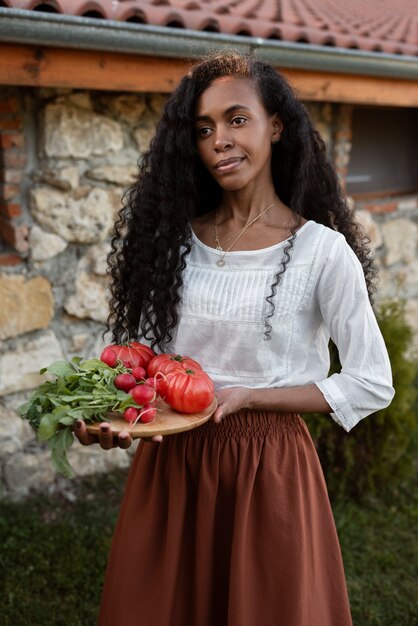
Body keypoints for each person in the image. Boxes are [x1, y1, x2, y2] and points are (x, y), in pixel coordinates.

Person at [75, 51, 394, 626]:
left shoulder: (321, 252)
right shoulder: (174, 244)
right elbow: (148, 365)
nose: (219, 139)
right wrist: (117, 418)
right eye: (203, 128)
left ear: (275, 125)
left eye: (236, 119)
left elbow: (371, 382)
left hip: (266, 469)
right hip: (172, 464)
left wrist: (251, 396)